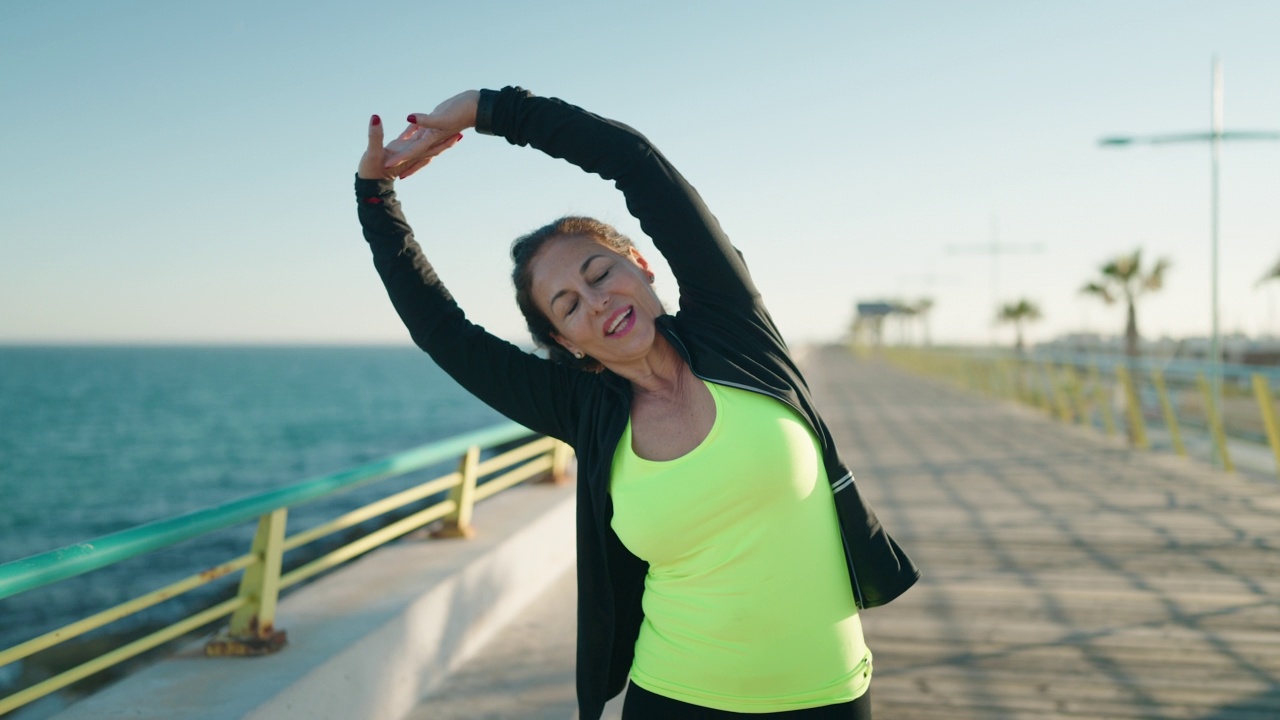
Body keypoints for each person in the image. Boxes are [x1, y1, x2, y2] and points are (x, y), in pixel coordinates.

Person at [354, 87, 918, 720]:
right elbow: (443, 332)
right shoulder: (581, 410)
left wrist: (485, 110)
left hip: (828, 697)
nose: (594, 301)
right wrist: (376, 197)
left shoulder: (734, 326)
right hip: (673, 698)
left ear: (642, 266)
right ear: (564, 342)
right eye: (566, 305)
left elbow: (635, 162)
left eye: (599, 273)